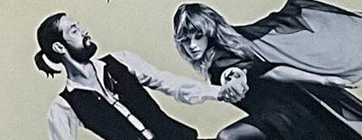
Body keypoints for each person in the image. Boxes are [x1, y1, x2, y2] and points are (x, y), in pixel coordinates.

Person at [172, 0, 362, 140]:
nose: (192, 45)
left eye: (197, 36)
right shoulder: (233, 45)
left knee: (228, 137)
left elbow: (269, 71)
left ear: (209, 32)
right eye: (186, 39)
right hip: (290, 112)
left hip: (286, 117)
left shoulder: (219, 61)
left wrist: (322, 79)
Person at [37, 13, 247, 140]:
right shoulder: (63, 107)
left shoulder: (121, 60)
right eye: (74, 31)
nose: (84, 32)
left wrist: (219, 92)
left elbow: (169, 82)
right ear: (59, 47)